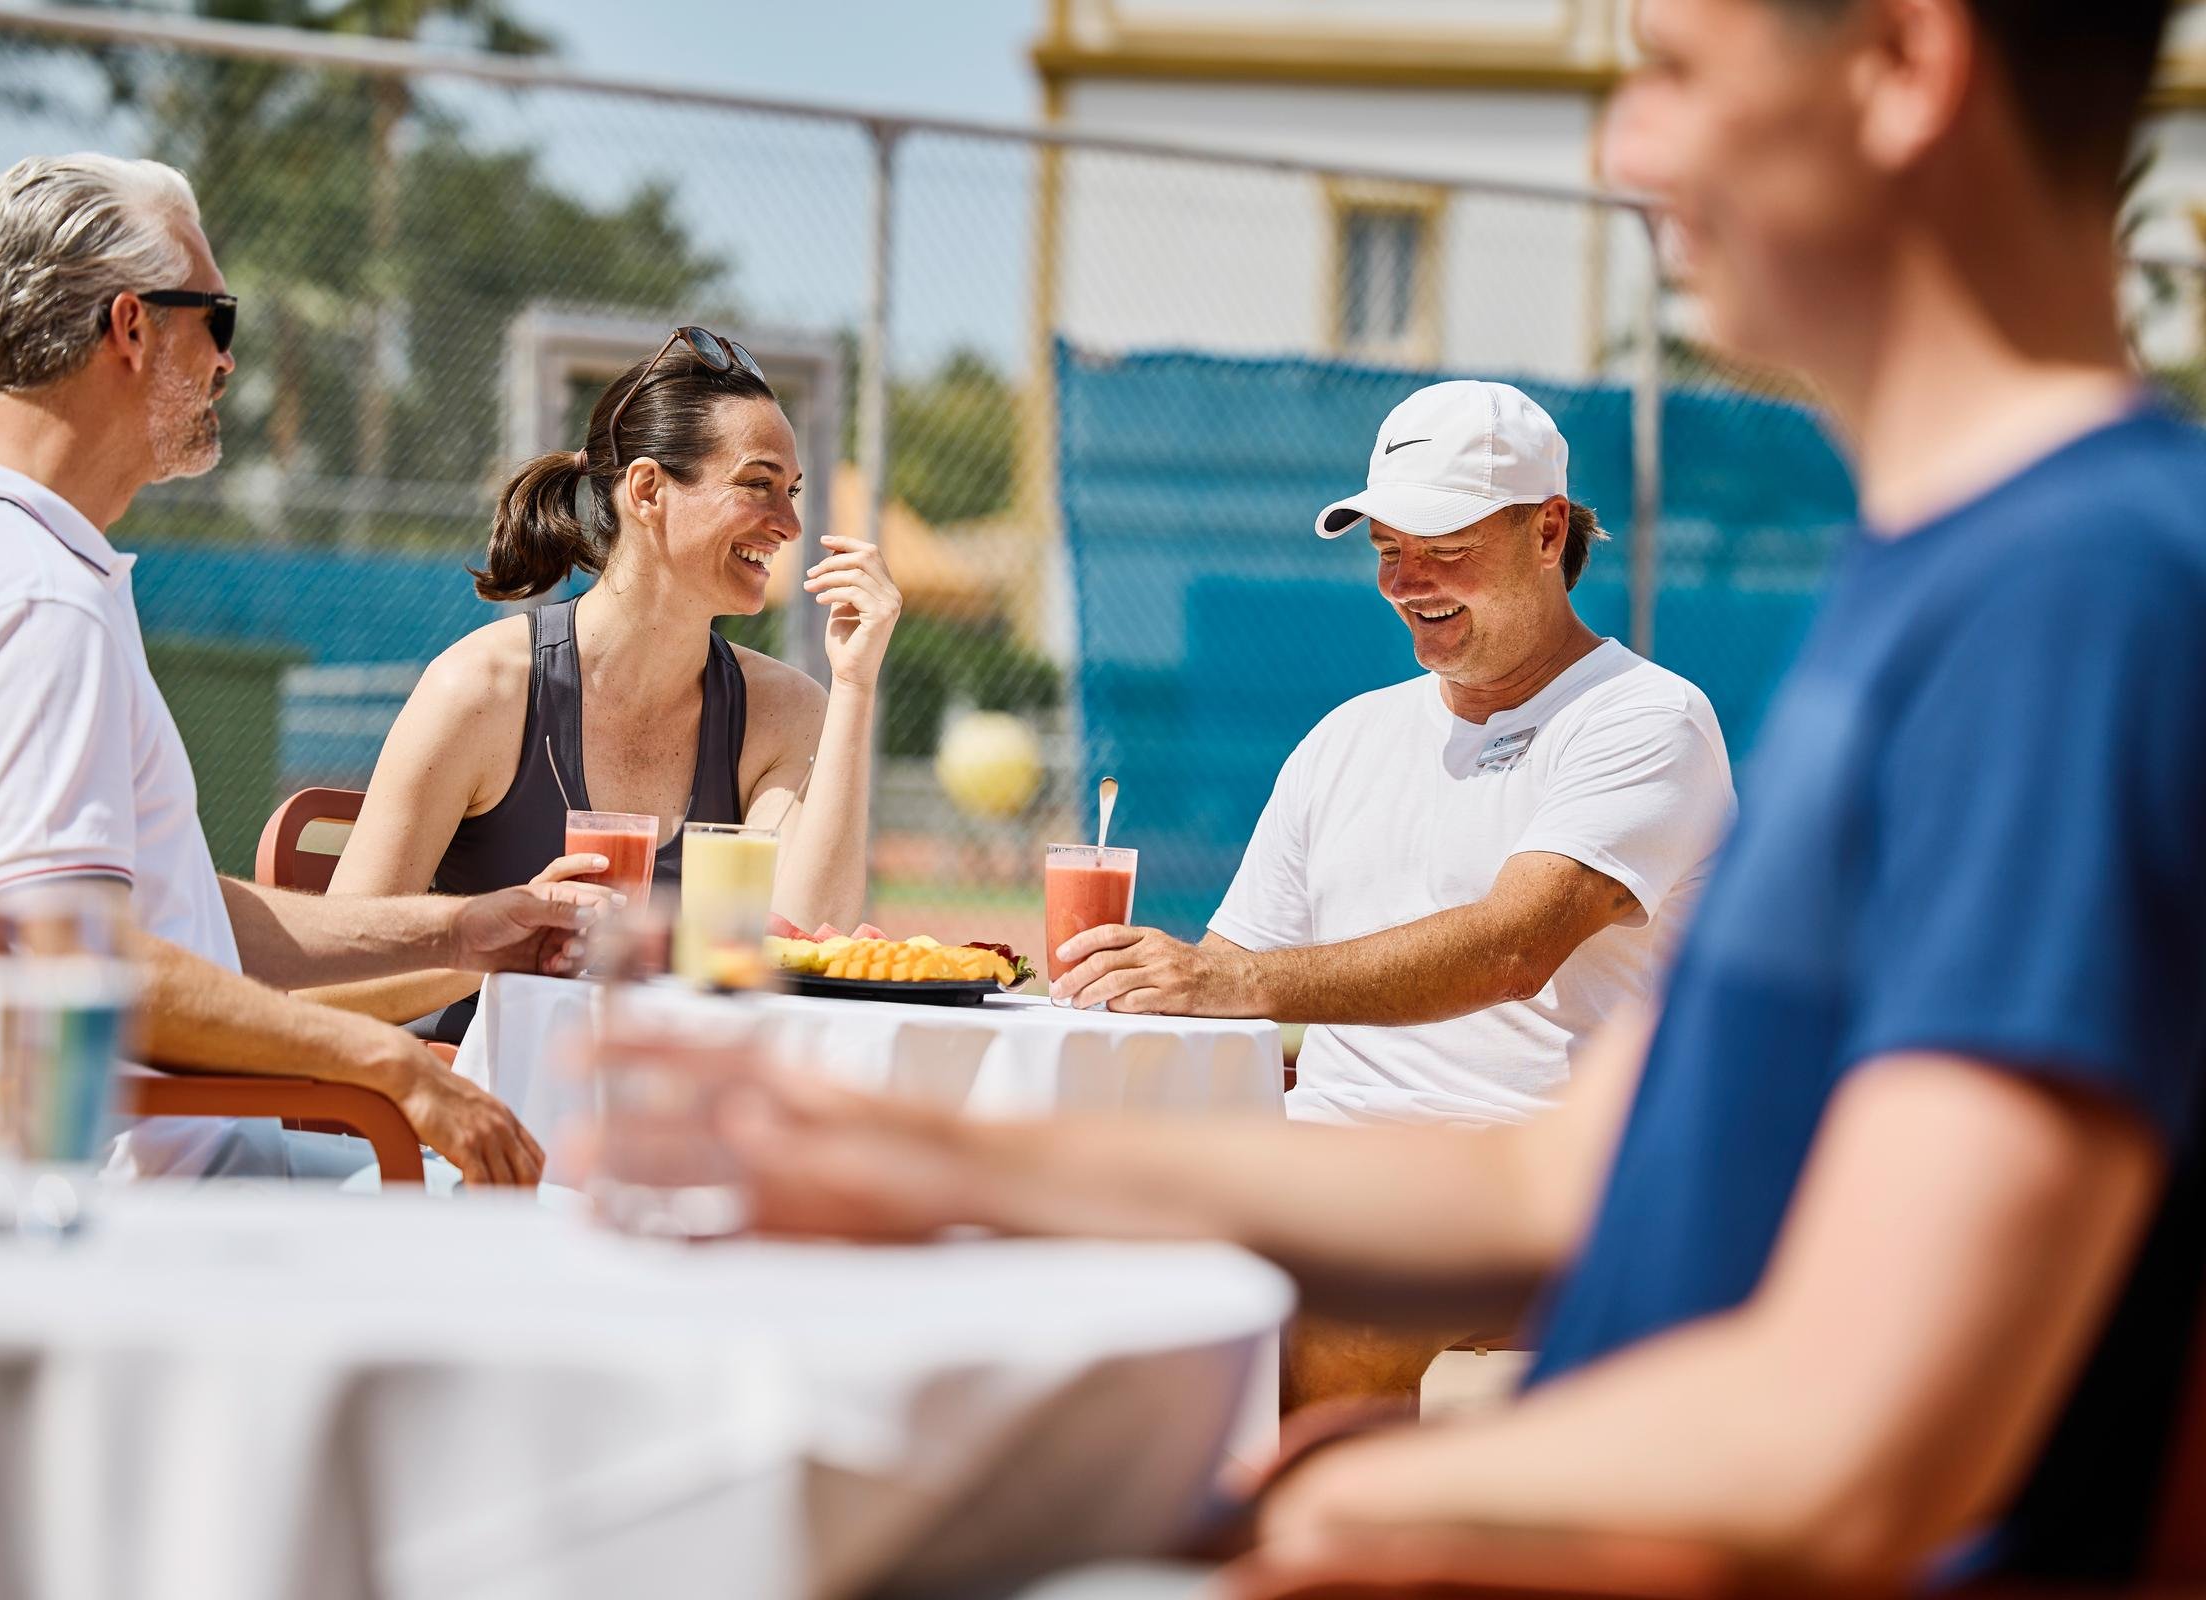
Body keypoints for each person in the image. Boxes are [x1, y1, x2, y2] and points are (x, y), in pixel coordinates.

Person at [726, 0, 2206, 1590]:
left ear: (1908, 65)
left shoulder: (2078, 597)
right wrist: (941, 1158)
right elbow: (1552, 1179)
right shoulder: (1956, 575)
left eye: (1675, 71)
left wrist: (1342, 1506)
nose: (1624, 147)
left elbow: (1868, 1450)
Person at [0, 153, 600, 1204]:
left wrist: (461, 932)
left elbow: (163, 923)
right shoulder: (37, 602)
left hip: (67, 1176)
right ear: (132, 327)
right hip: (128, 1203)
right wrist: (391, 1065)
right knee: (574, 1222)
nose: (228, 363)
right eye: (217, 319)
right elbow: (84, 965)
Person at [1054, 380, 1732, 1135]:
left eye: (1445, 548)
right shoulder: (1346, 737)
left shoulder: (1647, 717)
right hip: (1321, 1154)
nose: (1406, 583)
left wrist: (1221, 980)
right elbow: (1217, 984)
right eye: (1387, 550)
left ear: (1548, 532)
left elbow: (1512, 952)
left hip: (1533, 1178)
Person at [308, 329, 902, 1041]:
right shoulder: (483, 691)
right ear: (648, 490)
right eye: (758, 485)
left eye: (793, 491)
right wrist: (502, 944)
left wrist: (855, 685)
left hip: (672, 1097)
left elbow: (805, 937)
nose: (789, 524)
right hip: (479, 1098)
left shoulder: (782, 709)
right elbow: (330, 982)